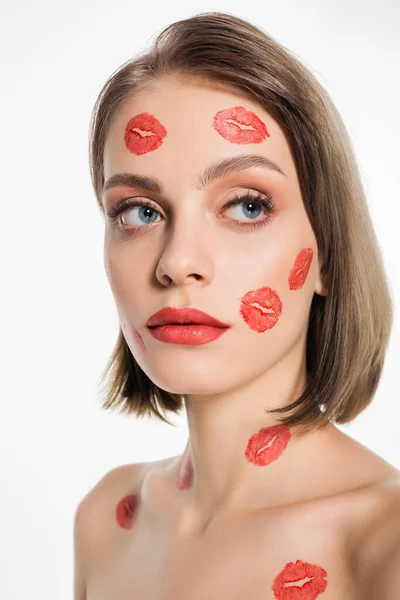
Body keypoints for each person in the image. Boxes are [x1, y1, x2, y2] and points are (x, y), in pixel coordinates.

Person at [74, 11, 400, 599]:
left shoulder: (383, 543)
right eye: (139, 211)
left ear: (327, 250)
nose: (176, 261)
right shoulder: (108, 521)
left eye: (247, 205)